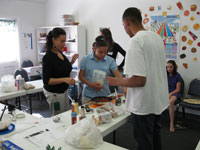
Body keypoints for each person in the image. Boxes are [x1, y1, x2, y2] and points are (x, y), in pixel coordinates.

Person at [106, 7, 169, 150]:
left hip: (144, 105)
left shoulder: (136, 41)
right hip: (158, 102)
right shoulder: (156, 37)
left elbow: (140, 80)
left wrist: (117, 81)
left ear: (127, 22)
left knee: (144, 144)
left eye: (123, 26)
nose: (125, 30)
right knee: (155, 139)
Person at [79, 35, 126, 104]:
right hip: (88, 97)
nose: (103, 54)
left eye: (105, 52)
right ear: (94, 49)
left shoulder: (110, 60)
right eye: (100, 52)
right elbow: (80, 76)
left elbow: (118, 76)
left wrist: (125, 89)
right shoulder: (85, 59)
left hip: (105, 97)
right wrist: (91, 84)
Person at [42, 27, 78, 116]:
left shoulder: (60, 53)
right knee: (57, 118)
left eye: (64, 41)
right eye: (61, 41)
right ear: (54, 40)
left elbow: (63, 69)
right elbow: (47, 80)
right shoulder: (48, 57)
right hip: (54, 93)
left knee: (65, 116)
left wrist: (72, 61)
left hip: (63, 91)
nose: (64, 44)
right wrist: (65, 79)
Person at [167, 60, 182, 132]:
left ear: (174, 67)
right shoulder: (165, 75)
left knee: (170, 102)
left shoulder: (177, 75)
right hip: (166, 92)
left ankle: (171, 124)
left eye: (171, 67)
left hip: (175, 93)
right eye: (167, 67)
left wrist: (170, 94)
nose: (169, 69)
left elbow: (178, 89)